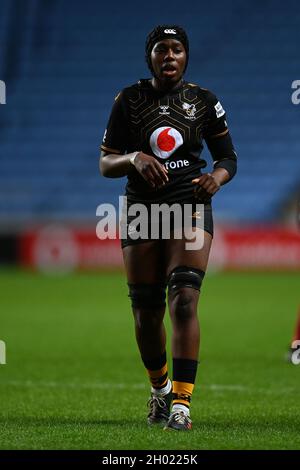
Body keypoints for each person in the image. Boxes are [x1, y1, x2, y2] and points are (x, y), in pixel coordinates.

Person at [100, 25, 237, 431]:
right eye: (162, 49)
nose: (170, 56)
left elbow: (228, 157)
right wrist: (133, 159)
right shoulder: (128, 100)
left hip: (190, 206)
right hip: (142, 210)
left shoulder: (204, 102)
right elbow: (106, 162)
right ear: (151, 57)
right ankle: (159, 391)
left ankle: (181, 403)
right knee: (145, 312)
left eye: (177, 49)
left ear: (186, 56)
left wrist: (218, 177)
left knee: (184, 299)